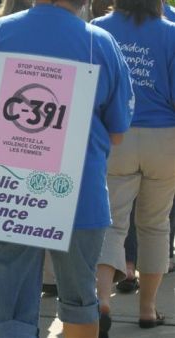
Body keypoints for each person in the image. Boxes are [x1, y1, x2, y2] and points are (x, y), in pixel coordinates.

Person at [0, 1, 133, 337]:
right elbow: (117, 131)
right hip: (78, 193)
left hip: (7, 191)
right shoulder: (101, 43)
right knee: (80, 303)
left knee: (11, 311)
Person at [92, 1, 175, 336]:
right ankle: (147, 309)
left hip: (115, 136)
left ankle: (101, 300)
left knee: (110, 223)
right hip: (164, 138)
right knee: (155, 226)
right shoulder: (172, 34)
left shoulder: (98, 29)